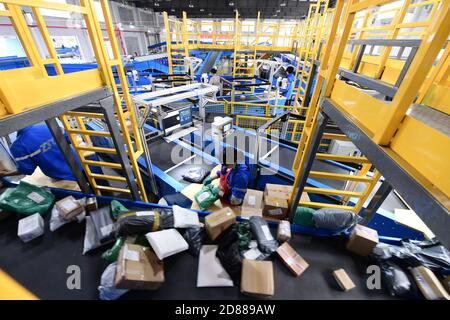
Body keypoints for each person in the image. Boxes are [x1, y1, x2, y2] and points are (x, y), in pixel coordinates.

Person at [3, 124, 85, 181]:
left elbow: (27, 170)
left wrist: (5, 174)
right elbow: (70, 139)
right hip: (80, 165)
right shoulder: (48, 127)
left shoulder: (18, 146)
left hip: (62, 177)